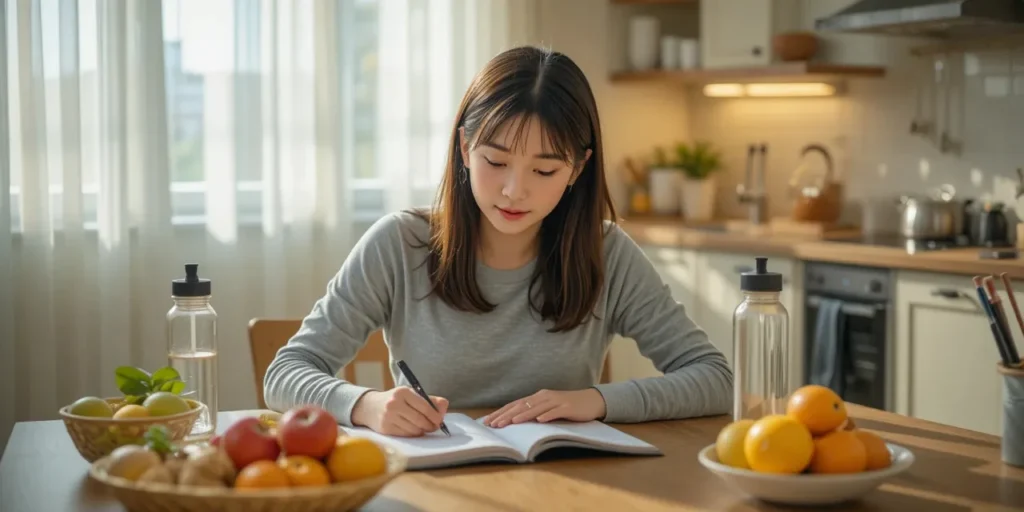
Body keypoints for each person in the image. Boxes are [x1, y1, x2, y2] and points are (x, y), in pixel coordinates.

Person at [263, 46, 732, 437]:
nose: (514, 190)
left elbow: (716, 379)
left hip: (566, 487)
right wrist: (364, 403)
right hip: (437, 489)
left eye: (545, 170)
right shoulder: (400, 243)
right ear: (465, 149)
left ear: (578, 168)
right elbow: (285, 374)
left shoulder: (606, 252)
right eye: (496, 161)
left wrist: (596, 401)